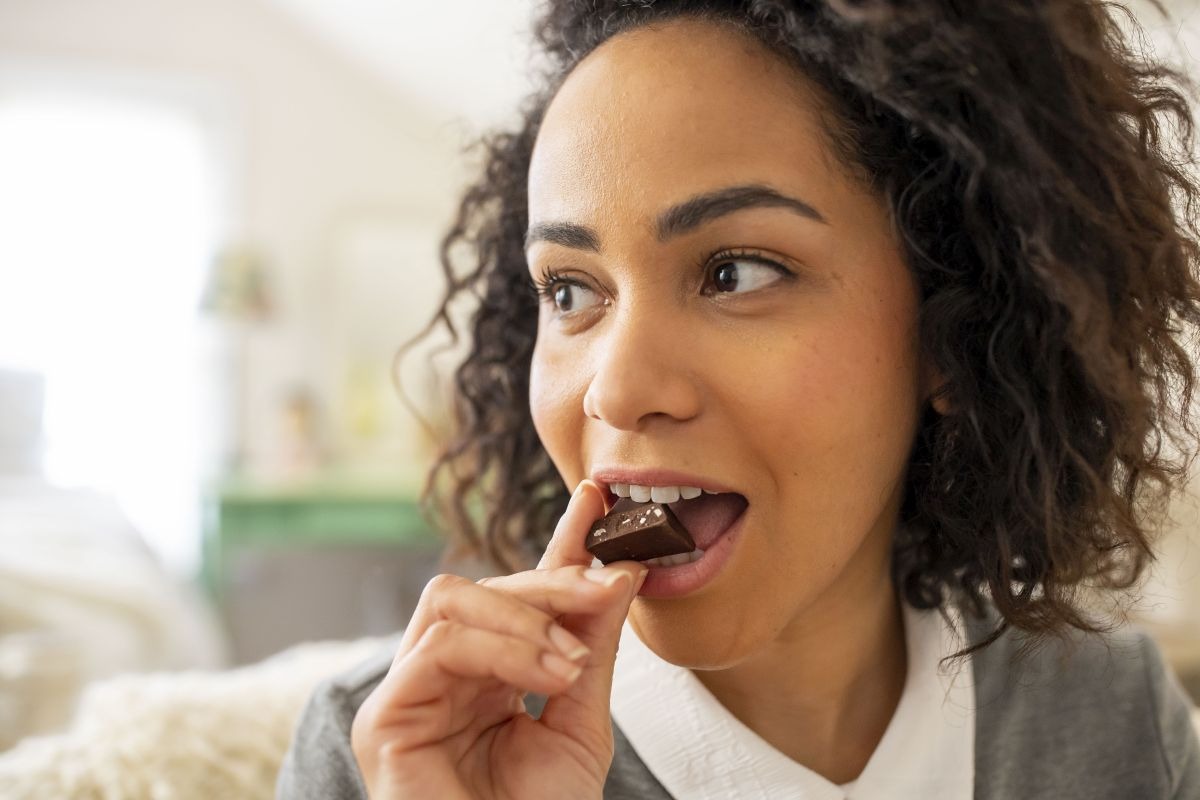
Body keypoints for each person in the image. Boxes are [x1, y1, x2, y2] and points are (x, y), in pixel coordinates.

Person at [277, 1, 1200, 797]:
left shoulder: (1117, 723)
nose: (618, 387)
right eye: (569, 290)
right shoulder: (386, 761)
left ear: (954, 327)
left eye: (736, 271)